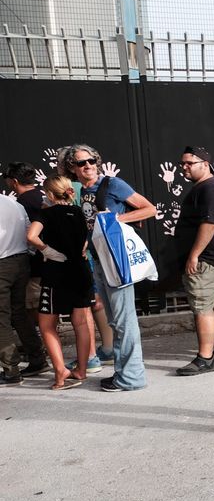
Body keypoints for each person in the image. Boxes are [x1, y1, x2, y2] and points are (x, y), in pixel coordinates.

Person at [63, 145, 156, 390]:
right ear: (73, 168)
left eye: (91, 161)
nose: (88, 166)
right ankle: (123, 372)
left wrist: (116, 218)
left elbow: (149, 208)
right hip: (99, 259)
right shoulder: (83, 190)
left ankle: (132, 377)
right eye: (81, 163)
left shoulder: (112, 184)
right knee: (115, 321)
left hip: (116, 259)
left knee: (125, 320)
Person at [26, 176, 93, 390]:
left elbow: (31, 236)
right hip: (81, 271)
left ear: (50, 194)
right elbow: (87, 239)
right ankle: (81, 370)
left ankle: (61, 373)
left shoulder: (45, 213)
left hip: (56, 274)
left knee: (47, 325)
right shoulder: (80, 213)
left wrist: (47, 250)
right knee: (81, 323)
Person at [175, 146, 214, 376]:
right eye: (183, 163)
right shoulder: (209, 187)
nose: (184, 167)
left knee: (202, 307)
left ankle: (206, 358)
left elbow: (210, 223)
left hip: (207, 260)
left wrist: (194, 254)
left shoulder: (210, 189)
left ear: (205, 164)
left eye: (190, 163)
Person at [55, 146, 114, 374]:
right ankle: (108, 349)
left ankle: (90, 357)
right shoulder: (92, 187)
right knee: (97, 302)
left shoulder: (73, 188)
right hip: (96, 251)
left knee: (85, 305)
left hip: (81, 255)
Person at [3, 162, 48, 376]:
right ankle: (37, 357)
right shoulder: (13, 204)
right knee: (19, 313)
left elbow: (31, 234)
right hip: (22, 262)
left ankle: (10, 369)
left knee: (3, 317)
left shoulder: (20, 201)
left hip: (5, 263)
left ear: (14, 181)